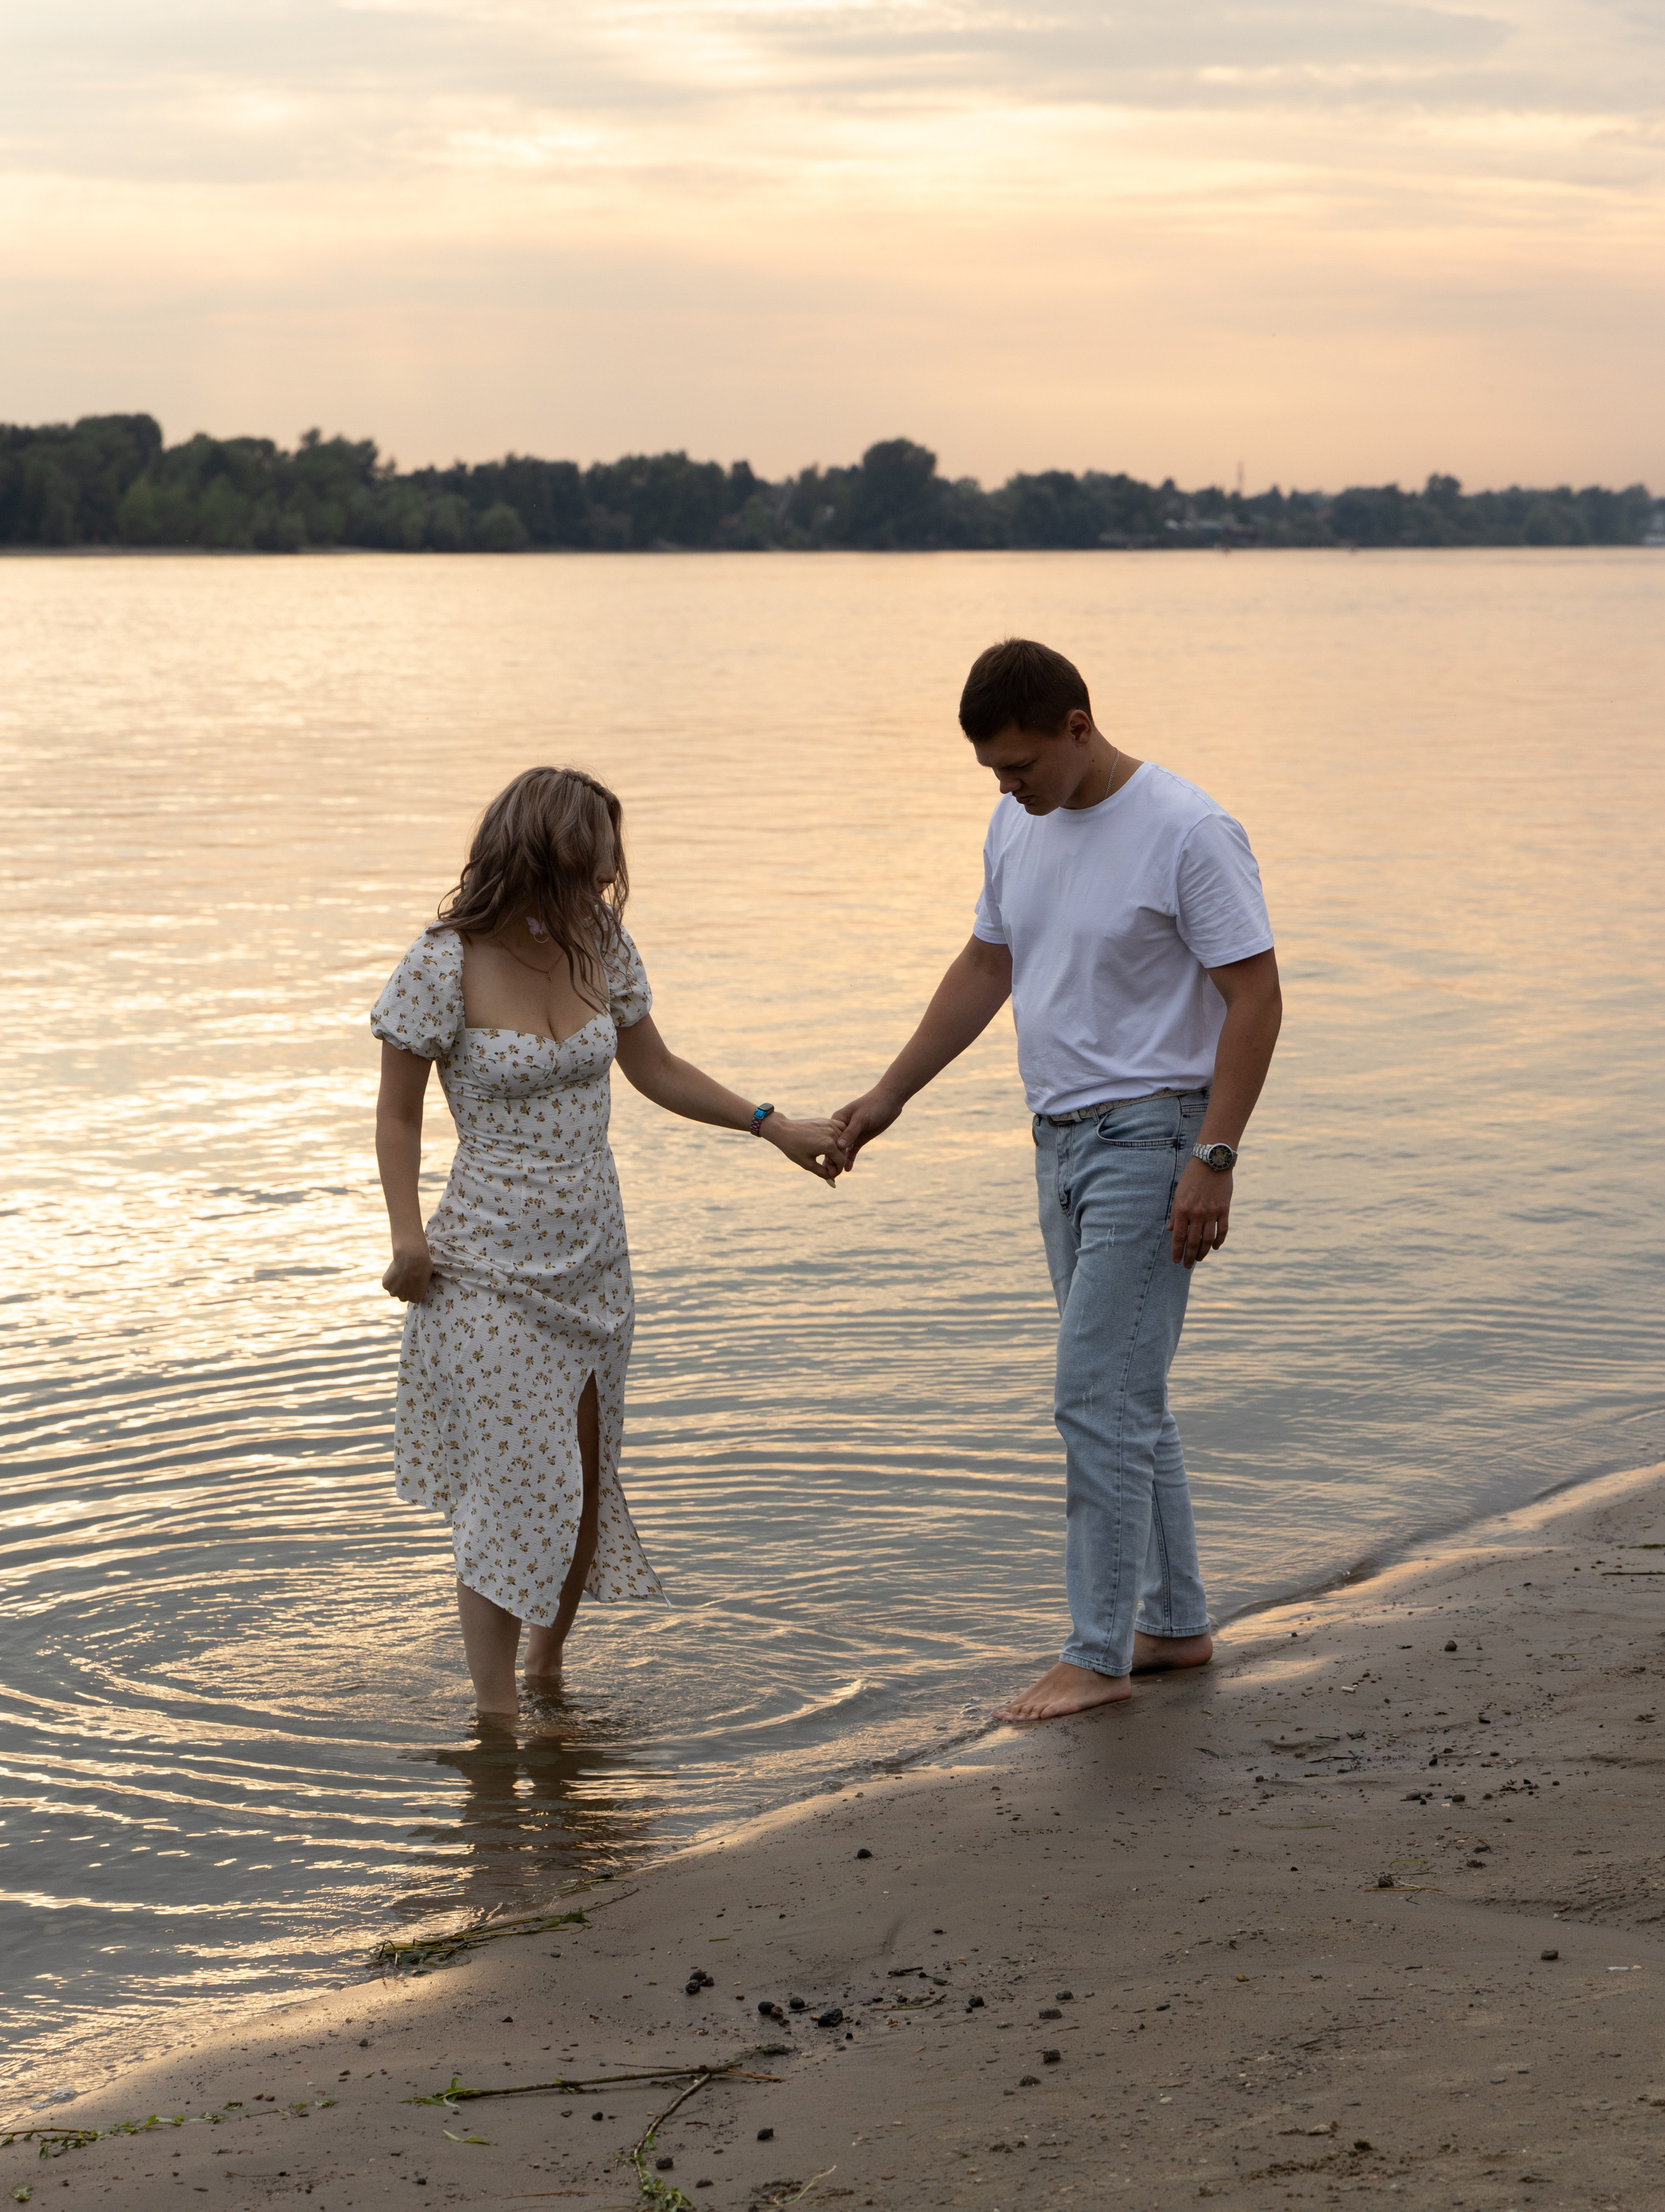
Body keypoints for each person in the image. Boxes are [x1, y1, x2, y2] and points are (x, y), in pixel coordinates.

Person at [834, 639, 1281, 1723]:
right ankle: (1172, 1625)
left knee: (1095, 1396)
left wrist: (1213, 1159)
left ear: (1080, 725)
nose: (1008, 786)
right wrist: (887, 1097)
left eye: (1022, 764)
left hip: (1157, 1136)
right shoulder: (1015, 826)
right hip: (1059, 1141)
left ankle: (1098, 1652)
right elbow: (988, 964)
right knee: (1128, 1395)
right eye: (993, 770)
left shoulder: (1187, 830)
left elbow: (1257, 997)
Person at [371, 766, 842, 1718]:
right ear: (536, 856)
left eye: (605, 871)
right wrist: (406, 1232)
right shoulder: (441, 963)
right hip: (483, 1266)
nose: (602, 886)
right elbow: (397, 1117)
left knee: (585, 1484)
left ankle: (548, 1672)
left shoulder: (601, 944)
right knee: (514, 1488)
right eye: (586, 868)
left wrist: (770, 1123)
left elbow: (656, 1067)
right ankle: (498, 1722)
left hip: (593, 1254)